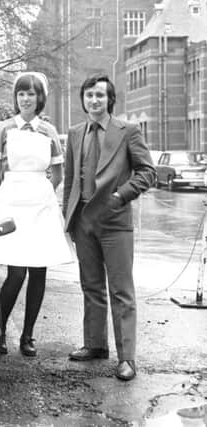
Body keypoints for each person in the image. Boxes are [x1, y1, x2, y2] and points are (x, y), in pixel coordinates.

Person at [62, 74, 155, 381]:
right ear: (83, 99)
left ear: (109, 99)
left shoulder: (128, 131)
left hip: (115, 221)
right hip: (83, 221)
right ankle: (95, 344)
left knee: (121, 290)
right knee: (91, 286)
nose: (94, 100)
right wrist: (68, 220)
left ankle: (127, 358)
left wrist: (119, 196)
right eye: (89, 95)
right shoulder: (76, 133)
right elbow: (71, 180)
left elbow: (147, 173)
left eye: (100, 95)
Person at [0, 72, 73, 357]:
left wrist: (42, 192)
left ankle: (28, 335)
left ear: (40, 98)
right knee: (15, 272)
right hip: (11, 203)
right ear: (16, 98)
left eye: (31, 94)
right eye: (21, 93)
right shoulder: (3, 128)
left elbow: (59, 174)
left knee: (38, 270)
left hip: (40, 205)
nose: (26, 99)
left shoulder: (48, 131)